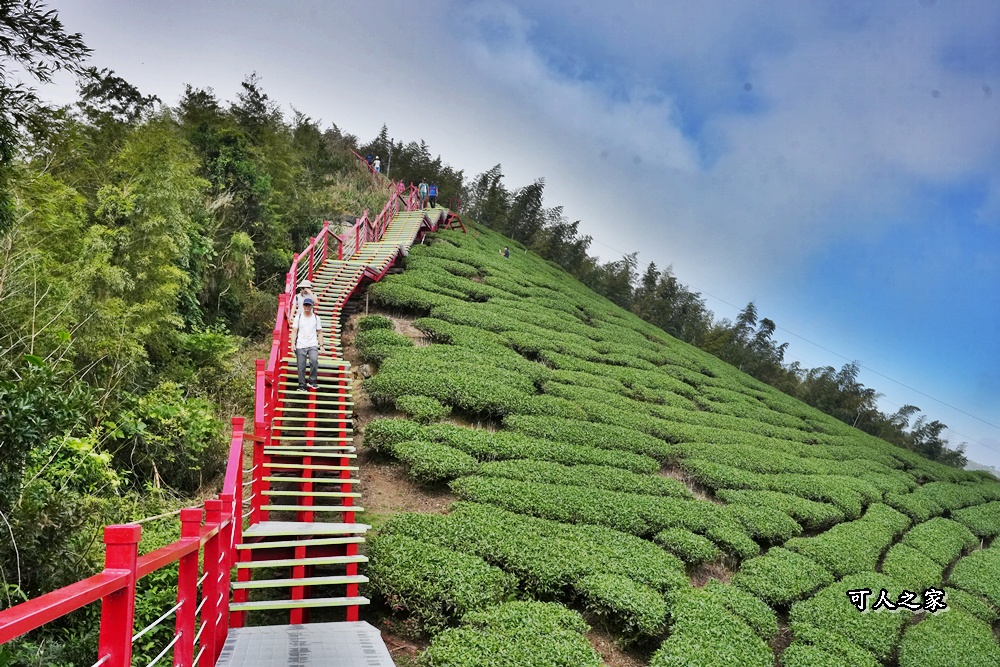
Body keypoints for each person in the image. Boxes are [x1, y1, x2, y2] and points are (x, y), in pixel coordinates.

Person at [291, 297, 323, 391]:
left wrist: (321, 345)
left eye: (309, 305)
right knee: (301, 366)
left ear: (312, 306)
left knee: (314, 360)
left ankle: (312, 381)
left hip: (312, 344)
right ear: (303, 306)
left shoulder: (316, 318)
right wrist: (293, 343)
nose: (307, 307)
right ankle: (302, 385)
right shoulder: (299, 317)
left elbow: (320, 332)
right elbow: (294, 331)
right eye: (306, 305)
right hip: (301, 344)